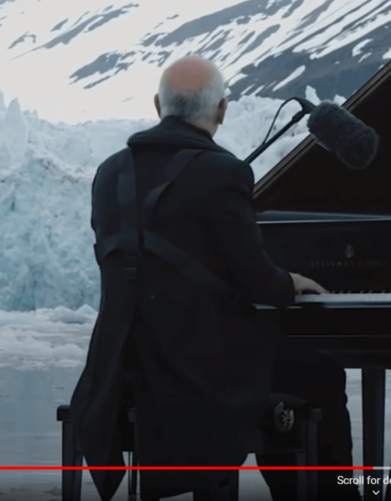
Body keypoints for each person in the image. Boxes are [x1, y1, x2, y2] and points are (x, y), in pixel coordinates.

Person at [69, 55, 361, 501]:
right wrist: (291, 281)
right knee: (317, 374)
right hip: (194, 375)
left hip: (119, 368)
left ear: (157, 105)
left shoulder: (109, 172)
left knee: (279, 368)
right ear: (221, 111)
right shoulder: (222, 172)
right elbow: (259, 283)